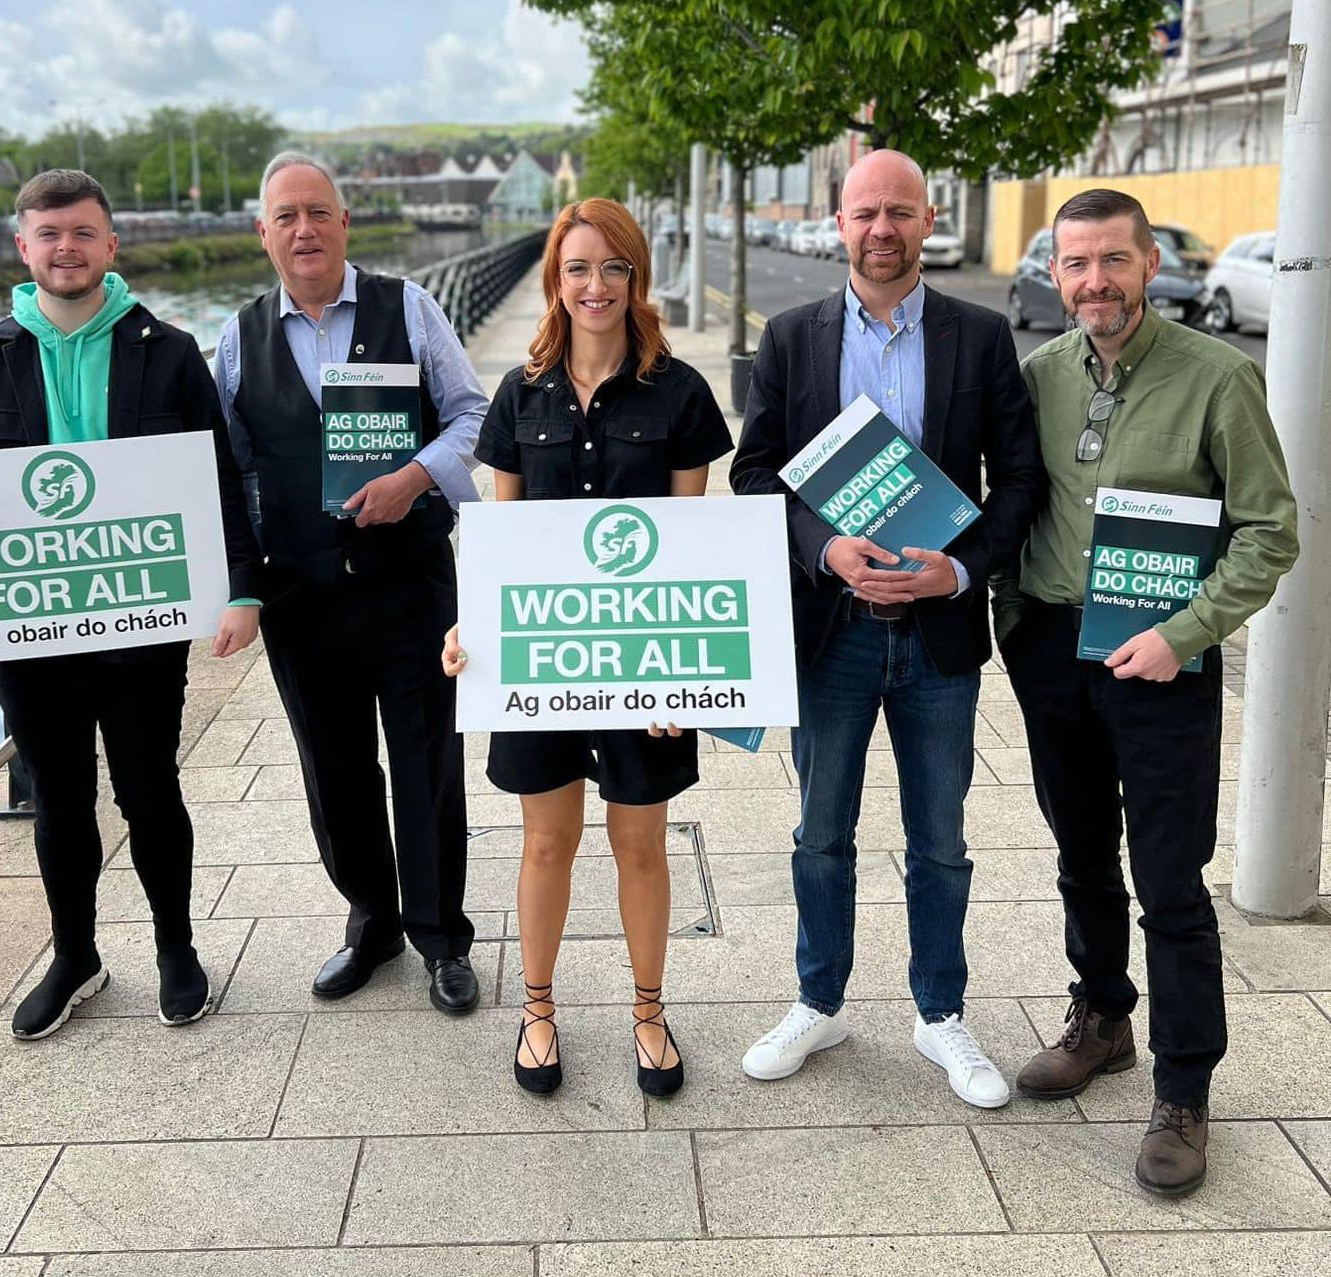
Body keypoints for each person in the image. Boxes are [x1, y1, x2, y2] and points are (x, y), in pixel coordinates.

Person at [0, 169, 264, 1039]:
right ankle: (76, 955)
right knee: (59, 800)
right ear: (23, 247)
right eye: (49, 235)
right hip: (31, 627)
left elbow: (217, 476)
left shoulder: (166, 351)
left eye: (83, 233)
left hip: (138, 620)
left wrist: (242, 587)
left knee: (149, 789)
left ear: (111, 245)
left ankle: (176, 946)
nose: (67, 248)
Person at [995, 189, 1297, 1195]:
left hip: (1163, 663)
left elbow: (1270, 531)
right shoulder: (1036, 375)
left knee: (1170, 879)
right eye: (1074, 264)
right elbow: (1003, 501)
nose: (1094, 283)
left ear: (1150, 259)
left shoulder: (1218, 377)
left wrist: (1185, 633)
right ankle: (1103, 1016)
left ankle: (1184, 1087)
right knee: (1081, 855)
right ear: (1055, 269)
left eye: (1113, 261)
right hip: (1053, 653)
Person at [729, 149, 1045, 1107]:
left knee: (939, 839)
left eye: (899, 212)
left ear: (928, 219)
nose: (882, 229)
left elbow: (1022, 478)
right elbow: (755, 477)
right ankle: (817, 1001)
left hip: (938, 636)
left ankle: (940, 1013)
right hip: (832, 631)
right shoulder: (791, 337)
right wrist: (825, 550)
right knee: (821, 831)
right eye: (865, 212)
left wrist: (959, 567)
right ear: (838, 223)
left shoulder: (981, 336)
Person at [442, 198, 732, 1096]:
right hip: (546, 664)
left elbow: (689, 542)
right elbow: (505, 534)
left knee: (640, 843)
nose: (596, 285)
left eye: (613, 267)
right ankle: (538, 1010)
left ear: (635, 276)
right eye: (578, 268)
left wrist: (680, 675)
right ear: (554, 281)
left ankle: (648, 1011)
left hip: (644, 666)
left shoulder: (680, 394)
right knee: (545, 842)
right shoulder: (520, 396)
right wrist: (470, 624)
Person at [214, 154, 485, 1014]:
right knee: (334, 770)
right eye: (285, 217)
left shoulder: (409, 305)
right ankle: (371, 920)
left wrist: (415, 476)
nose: (304, 230)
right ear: (264, 234)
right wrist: (241, 585)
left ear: (344, 222)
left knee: (426, 763)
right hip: (302, 597)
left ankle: (441, 935)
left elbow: (475, 414)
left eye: (318, 213)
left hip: (409, 586)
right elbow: (226, 469)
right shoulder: (238, 336)